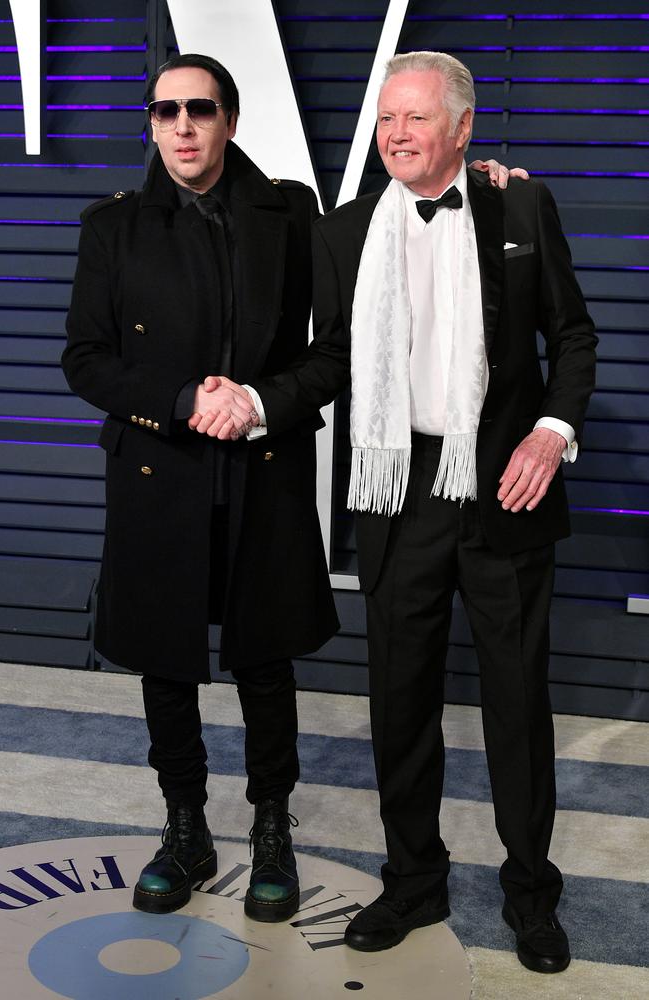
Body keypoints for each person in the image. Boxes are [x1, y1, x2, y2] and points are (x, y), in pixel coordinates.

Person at [214, 52, 597, 972]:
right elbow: (334, 360)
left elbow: (573, 334)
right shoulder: (346, 232)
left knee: (515, 704)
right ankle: (414, 881)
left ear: (463, 131)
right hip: (400, 490)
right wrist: (259, 401)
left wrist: (551, 432)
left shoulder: (521, 208)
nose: (394, 133)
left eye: (415, 118)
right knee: (401, 703)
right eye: (386, 118)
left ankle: (529, 891)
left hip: (504, 482)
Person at [61, 52, 340, 923]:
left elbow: (330, 350)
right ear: (150, 123)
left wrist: (255, 402)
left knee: (264, 660)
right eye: (165, 111)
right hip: (161, 471)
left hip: (263, 465)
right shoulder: (111, 226)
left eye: (201, 109)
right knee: (165, 663)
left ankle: (269, 829)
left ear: (230, 119)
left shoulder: (291, 213)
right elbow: (87, 359)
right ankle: (185, 829)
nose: (182, 126)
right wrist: (184, 401)